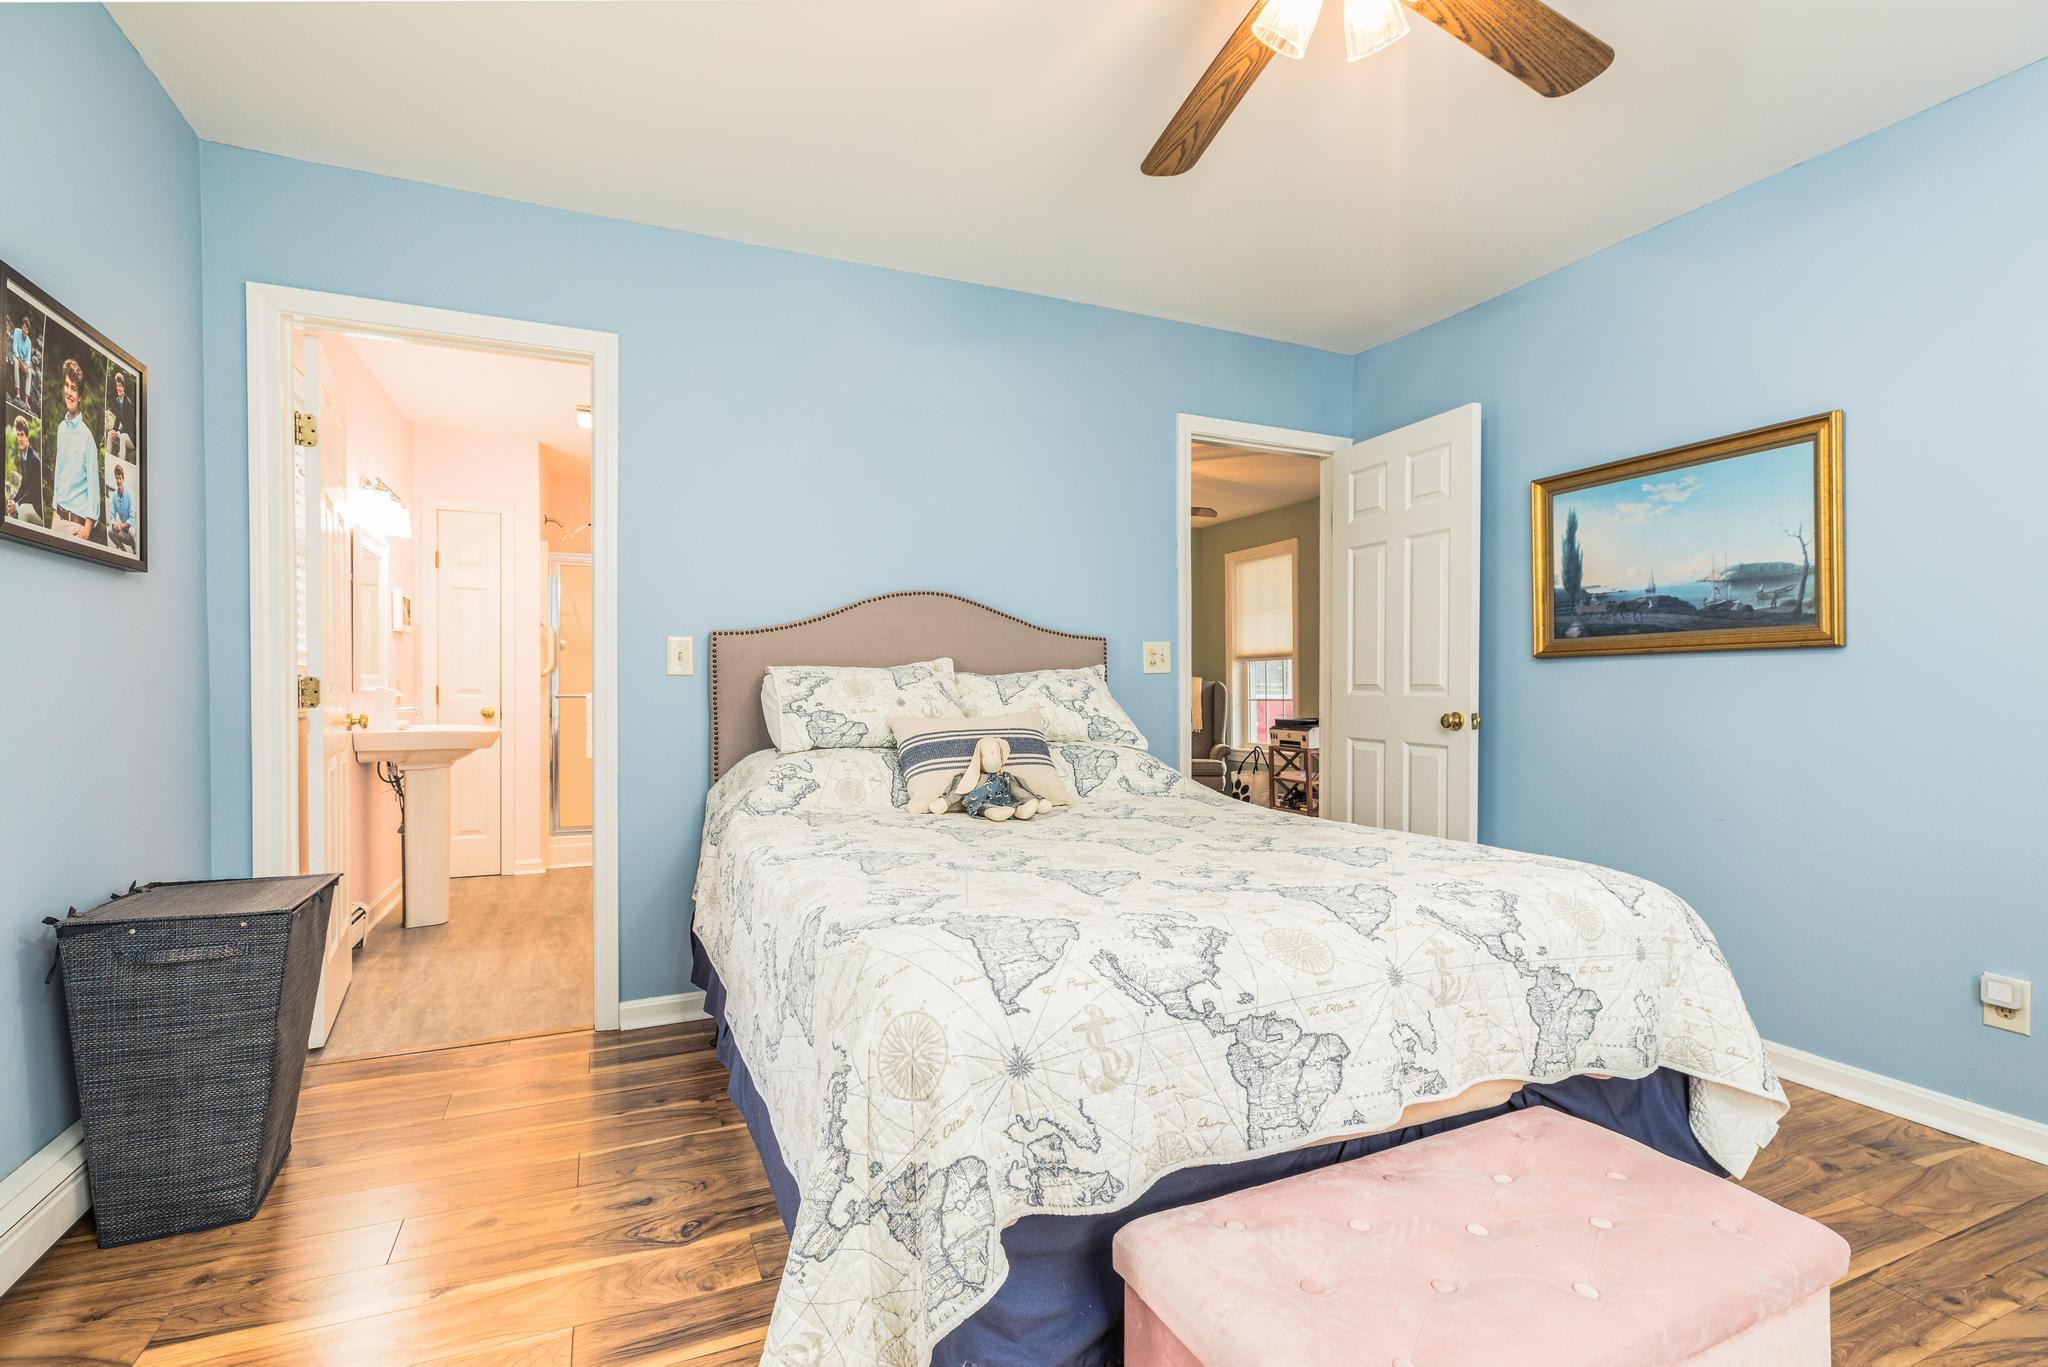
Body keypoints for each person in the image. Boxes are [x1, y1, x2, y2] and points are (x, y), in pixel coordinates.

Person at [50, 357, 100, 540]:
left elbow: (94, 489)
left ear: (80, 396)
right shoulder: (60, 430)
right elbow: (58, 474)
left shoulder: (87, 438)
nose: (69, 393)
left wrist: (86, 531)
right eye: (66, 386)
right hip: (57, 520)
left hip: (76, 526)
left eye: (73, 388)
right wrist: (54, 518)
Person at [5, 414, 41, 526]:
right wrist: (14, 501)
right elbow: (24, 486)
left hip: (37, 509)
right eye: (18, 435)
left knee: (23, 510)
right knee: (11, 506)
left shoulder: (34, 459)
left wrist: (17, 505)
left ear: (27, 437)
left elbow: (33, 491)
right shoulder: (23, 458)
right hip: (29, 502)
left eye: (22, 435)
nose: (20, 438)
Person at [106, 369, 136, 463]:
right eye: (117, 385)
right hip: (123, 432)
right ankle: (107, 461)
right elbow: (118, 418)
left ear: (124, 387)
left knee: (122, 436)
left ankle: (120, 465)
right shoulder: (117, 400)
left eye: (120, 386)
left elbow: (129, 426)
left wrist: (118, 433)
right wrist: (114, 430)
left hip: (131, 438)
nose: (118, 388)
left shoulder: (128, 403)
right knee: (110, 433)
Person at [106, 461, 136, 553]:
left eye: (120, 478)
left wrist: (121, 525)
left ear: (123, 479)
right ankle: (123, 552)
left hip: (132, 532)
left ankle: (135, 550)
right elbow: (112, 516)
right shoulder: (114, 496)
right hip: (123, 532)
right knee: (109, 530)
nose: (118, 481)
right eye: (116, 478)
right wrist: (114, 524)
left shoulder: (129, 495)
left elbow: (132, 519)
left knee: (131, 532)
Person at [8, 315, 29, 404]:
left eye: (26, 329)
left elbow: (28, 358)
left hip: (23, 363)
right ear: (21, 327)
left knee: (29, 372)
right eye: (24, 327)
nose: (25, 330)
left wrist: (26, 366)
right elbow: (15, 350)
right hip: (16, 358)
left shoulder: (29, 341)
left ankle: (26, 400)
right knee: (16, 363)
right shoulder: (17, 331)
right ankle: (18, 392)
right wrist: (22, 364)